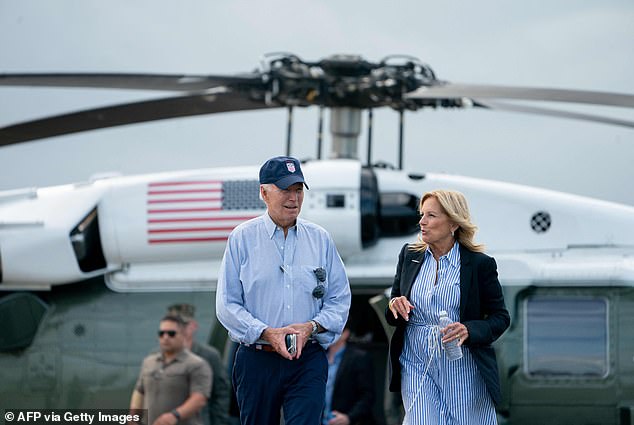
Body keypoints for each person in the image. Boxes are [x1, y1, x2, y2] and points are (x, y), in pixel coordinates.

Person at [216, 155, 351, 425]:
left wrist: (311, 327)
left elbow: (339, 299)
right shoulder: (242, 238)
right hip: (257, 359)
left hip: (307, 358)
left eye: (298, 190)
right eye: (285, 189)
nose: (294, 198)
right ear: (264, 193)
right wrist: (267, 333)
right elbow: (227, 305)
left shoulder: (320, 239)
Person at [385, 190, 510, 425]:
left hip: (461, 363)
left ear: (453, 223)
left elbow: (500, 318)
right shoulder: (409, 255)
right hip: (415, 359)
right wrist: (395, 304)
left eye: (431, 215)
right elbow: (393, 305)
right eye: (422, 215)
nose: (422, 221)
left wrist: (469, 330)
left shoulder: (480, 264)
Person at [130, 315, 212, 425]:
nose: (165, 337)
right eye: (161, 333)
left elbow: (199, 398)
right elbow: (139, 391)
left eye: (171, 334)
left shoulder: (197, 364)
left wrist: (175, 415)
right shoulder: (149, 362)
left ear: (183, 335)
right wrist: (133, 418)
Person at [167, 304, 231, 425]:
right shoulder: (158, 357)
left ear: (193, 326)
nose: (178, 329)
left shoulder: (209, 356)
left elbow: (221, 393)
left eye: (183, 325)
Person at [322, 327, 375, 425]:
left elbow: (367, 395)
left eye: (331, 330)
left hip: (346, 421)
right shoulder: (319, 357)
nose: (326, 334)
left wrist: (349, 418)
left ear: (345, 333)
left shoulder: (359, 357)